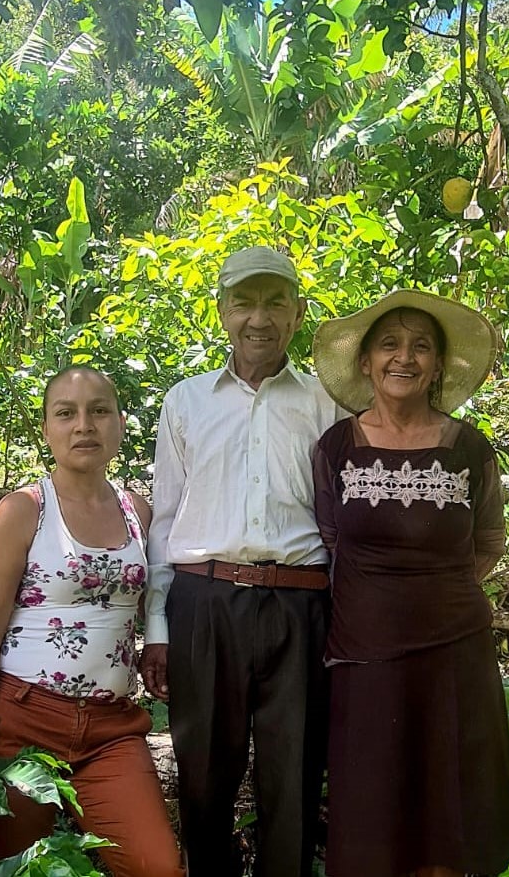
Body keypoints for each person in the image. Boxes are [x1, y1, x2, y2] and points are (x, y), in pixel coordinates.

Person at [140, 246, 346, 877]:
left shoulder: (326, 405)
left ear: (298, 312)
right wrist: (157, 627)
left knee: (295, 776)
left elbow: (345, 523)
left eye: (275, 301)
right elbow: (167, 517)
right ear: (222, 311)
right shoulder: (186, 402)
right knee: (203, 776)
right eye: (245, 302)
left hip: (300, 603)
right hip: (204, 603)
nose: (260, 318)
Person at [311, 290, 509, 877]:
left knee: (446, 815)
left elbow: (488, 540)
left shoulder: (469, 448)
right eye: (390, 344)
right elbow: (333, 537)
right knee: (374, 814)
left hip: (455, 655)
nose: (405, 357)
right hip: (365, 656)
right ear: (365, 362)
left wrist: (436, 594)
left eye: (421, 347)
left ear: (437, 366)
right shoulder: (335, 449)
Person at [0, 365, 184, 877]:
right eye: (67, 413)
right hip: (23, 721)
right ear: (47, 429)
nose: (84, 425)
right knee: (16, 869)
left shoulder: (138, 512)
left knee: (158, 867)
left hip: (111, 729)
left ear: (120, 424)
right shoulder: (22, 511)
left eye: (99, 411)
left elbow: (156, 598)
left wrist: (157, 644)